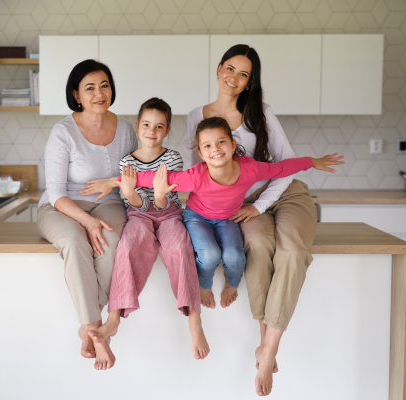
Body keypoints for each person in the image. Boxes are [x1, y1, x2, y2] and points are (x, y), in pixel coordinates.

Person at [186, 44, 325, 397]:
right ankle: (264, 342)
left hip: (284, 193)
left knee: (292, 252)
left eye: (243, 74)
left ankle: (270, 348)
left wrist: (261, 205)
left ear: (249, 82)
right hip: (240, 204)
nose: (234, 77)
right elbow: (200, 173)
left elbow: (284, 165)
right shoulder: (195, 116)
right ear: (218, 69)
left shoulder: (260, 112)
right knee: (259, 246)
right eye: (230, 68)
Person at [81, 98, 208, 370]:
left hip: (170, 214)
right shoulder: (127, 162)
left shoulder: (173, 158)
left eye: (159, 126)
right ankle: (113, 318)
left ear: (167, 130)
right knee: (127, 245)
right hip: (139, 216)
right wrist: (129, 194)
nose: (152, 131)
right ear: (138, 126)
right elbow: (134, 205)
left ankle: (194, 320)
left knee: (179, 245)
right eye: (147, 125)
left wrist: (158, 198)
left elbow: (167, 203)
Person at [36, 59, 136, 362]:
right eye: (89, 87)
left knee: (112, 244)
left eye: (104, 85)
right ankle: (95, 329)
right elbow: (55, 191)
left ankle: (88, 329)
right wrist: (87, 222)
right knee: (74, 241)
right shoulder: (63, 132)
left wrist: (118, 185)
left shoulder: (126, 129)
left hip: (109, 203)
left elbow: (136, 173)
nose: (98, 93)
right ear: (76, 95)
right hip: (62, 206)